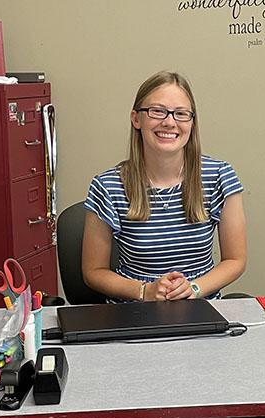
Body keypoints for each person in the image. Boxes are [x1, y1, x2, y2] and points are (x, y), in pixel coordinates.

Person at [82, 71, 246, 302]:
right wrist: (144, 291)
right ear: (136, 119)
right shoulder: (107, 186)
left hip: (200, 307)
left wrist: (194, 288)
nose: (169, 122)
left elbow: (235, 260)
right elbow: (93, 273)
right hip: (133, 312)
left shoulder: (219, 176)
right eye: (157, 111)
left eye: (180, 114)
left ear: (192, 123)